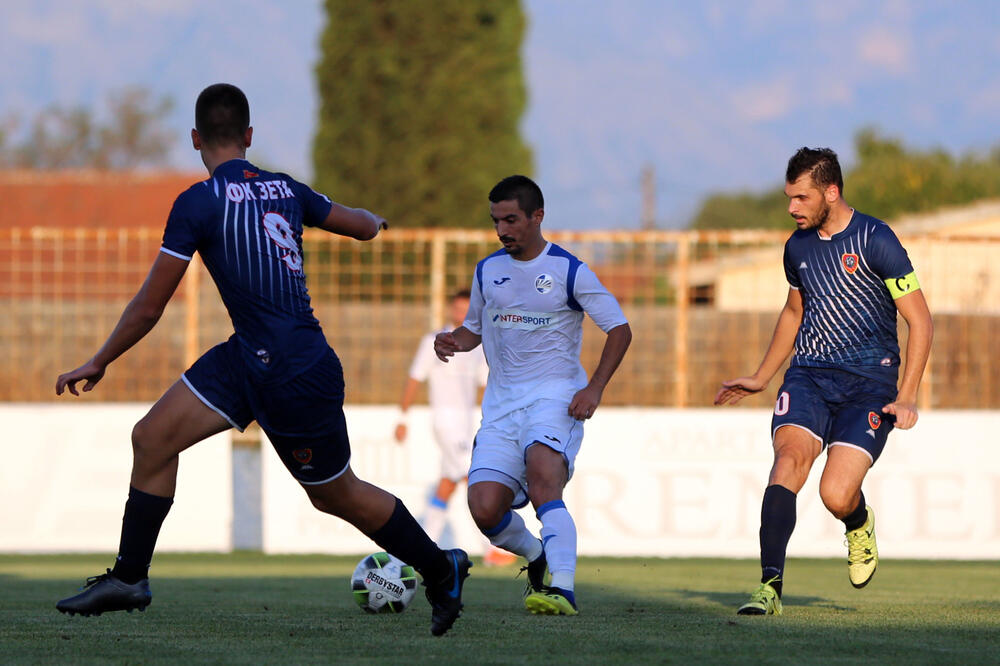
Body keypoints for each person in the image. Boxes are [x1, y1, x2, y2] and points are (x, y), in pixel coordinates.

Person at [53, 83, 470, 636]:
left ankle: (443, 569)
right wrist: (374, 221)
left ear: (196, 139)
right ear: (249, 137)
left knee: (334, 495)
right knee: (152, 438)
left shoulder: (199, 201)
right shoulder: (286, 189)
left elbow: (151, 306)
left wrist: (100, 359)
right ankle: (130, 578)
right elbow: (360, 225)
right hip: (251, 356)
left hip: (292, 370)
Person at [714, 147, 933, 616]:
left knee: (835, 493)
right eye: (789, 197)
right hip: (809, 376)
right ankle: (769, 587)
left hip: (869, 385)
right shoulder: (797, 246)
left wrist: (907, 395)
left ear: (830, 193)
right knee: (788, 462)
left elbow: (921, 321)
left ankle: (857, 521)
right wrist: (760, 376)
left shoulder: (877, 239)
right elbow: (794, 312)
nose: (792, 208)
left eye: (801, 198)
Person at [434, 175, 632, 616]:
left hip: (555, 397)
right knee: (484, 508)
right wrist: (453, 340)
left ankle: (562, 588)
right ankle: (538, 557)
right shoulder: (488, 270)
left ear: (537, 216)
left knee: (545, 480)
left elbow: (619, 328)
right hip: (502, 406)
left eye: (511, 219)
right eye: (496, 221)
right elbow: (474, 329)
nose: (502, 230)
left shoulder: (568, 270)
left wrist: (594, 387)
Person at [394, 290, 515, 566]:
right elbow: (414, 378)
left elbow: (484, 386)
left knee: (447, 485)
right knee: (473, 480)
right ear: (451, 309)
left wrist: (497, 418)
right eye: (457, 308)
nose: (461, 313)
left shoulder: (476, 345)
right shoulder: (433, 341)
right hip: (445, 423)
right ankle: (493, 546)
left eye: (466, 309)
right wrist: (403, 418)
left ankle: (420, 547)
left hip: (467, 422)